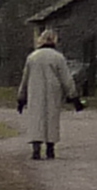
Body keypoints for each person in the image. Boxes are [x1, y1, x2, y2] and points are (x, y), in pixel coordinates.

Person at [17, 26, 81, 160]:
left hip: (35, 91)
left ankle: (36, 148)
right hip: (53, 91)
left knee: (36, 118)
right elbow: (66, 78)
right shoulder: (58, 57)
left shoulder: (32, 57)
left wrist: (21, 97)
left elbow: (25, 78)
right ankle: (50, 148)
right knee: (51, 117)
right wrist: (74, 96)